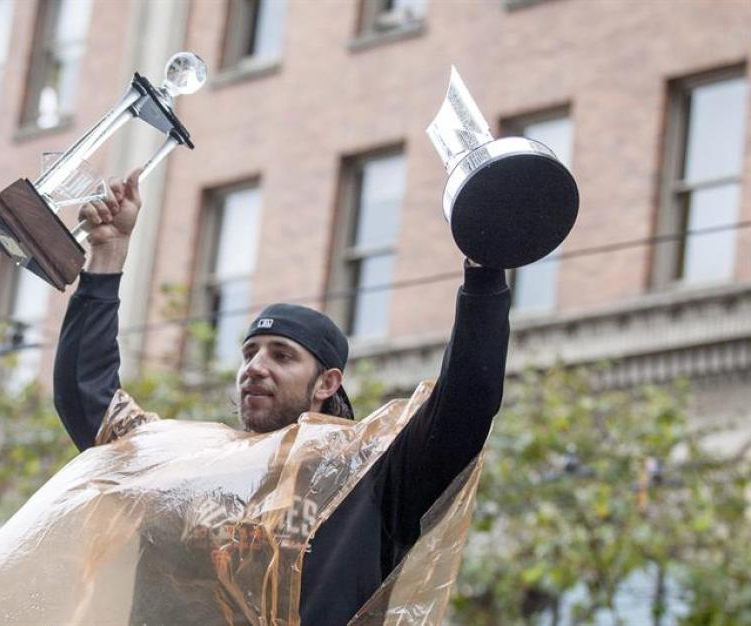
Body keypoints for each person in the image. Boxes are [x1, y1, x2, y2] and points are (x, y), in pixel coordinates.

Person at [53, 170, 511, 625]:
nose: (256, 366)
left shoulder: (369, 477)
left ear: (326, 384)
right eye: (249, 353)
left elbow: (464, 405)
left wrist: (485, 272)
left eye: (282, 355)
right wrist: (108, 252)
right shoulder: (188, 471)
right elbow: (88, 398)